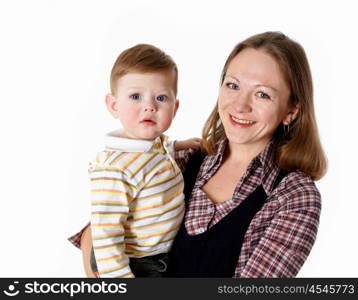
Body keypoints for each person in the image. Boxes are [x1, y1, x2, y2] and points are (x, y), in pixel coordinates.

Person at [70, 32, 326, 278]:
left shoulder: (294, 197)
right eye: (233, 85)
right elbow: (95, 234)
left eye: (262, 94)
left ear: (291, 110)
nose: (239, 105)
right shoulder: (181, 160)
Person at [73, 44, 200, 278]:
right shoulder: (113, 168)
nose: (149, 106)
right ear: (114, 105)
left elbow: (157, 152)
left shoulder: (152, 145)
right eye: (135, 96)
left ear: (175, 107)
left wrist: (177, 146)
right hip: (133, 262)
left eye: (161, 98)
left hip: (162, 253)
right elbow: (106, 234)